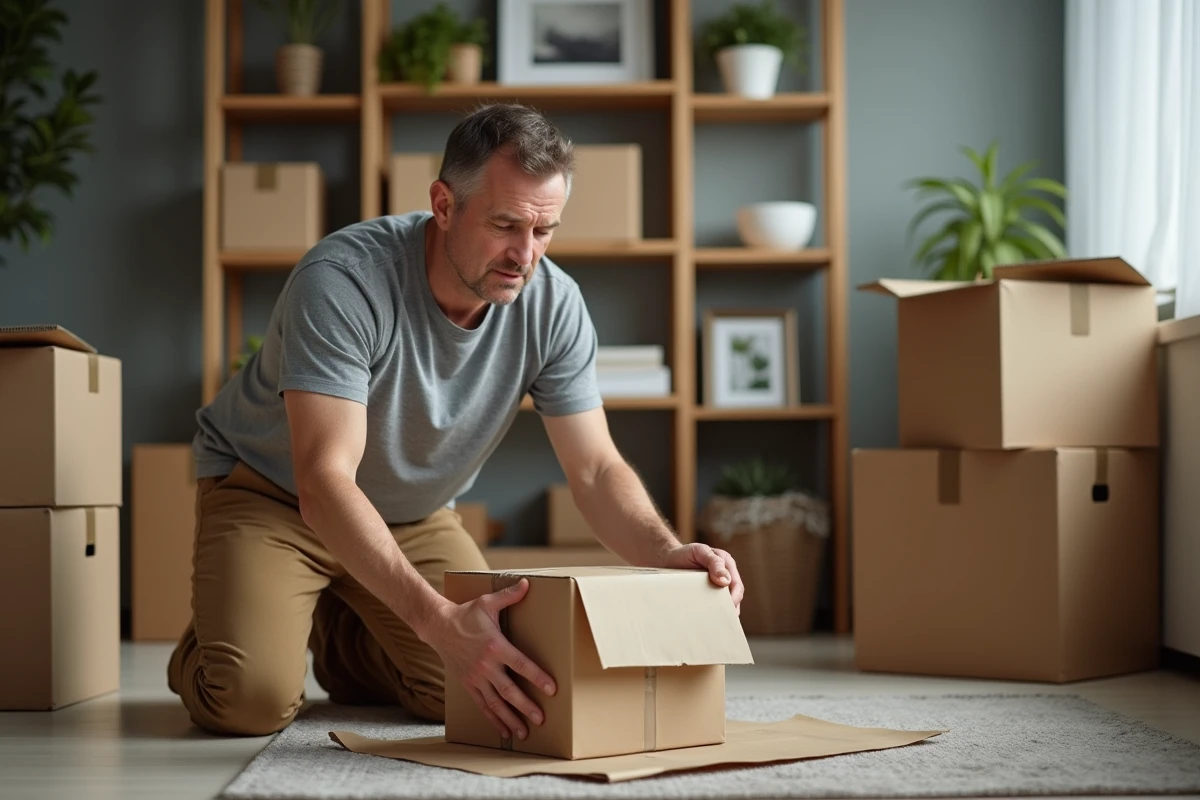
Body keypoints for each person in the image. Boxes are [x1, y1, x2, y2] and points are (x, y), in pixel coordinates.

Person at [168, 103, 745, 740]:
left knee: (493, 688)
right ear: (444, 205)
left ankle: (341, 633)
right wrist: (438, 622)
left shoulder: (553, 304)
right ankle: (227, 639)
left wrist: (666, 554)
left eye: (546, 230)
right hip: (273, 496)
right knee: (248, 700)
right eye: (505, 225)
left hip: (413, 515)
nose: (525, 255)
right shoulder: (343, 280)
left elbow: (595, 467)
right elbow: (324, 481)